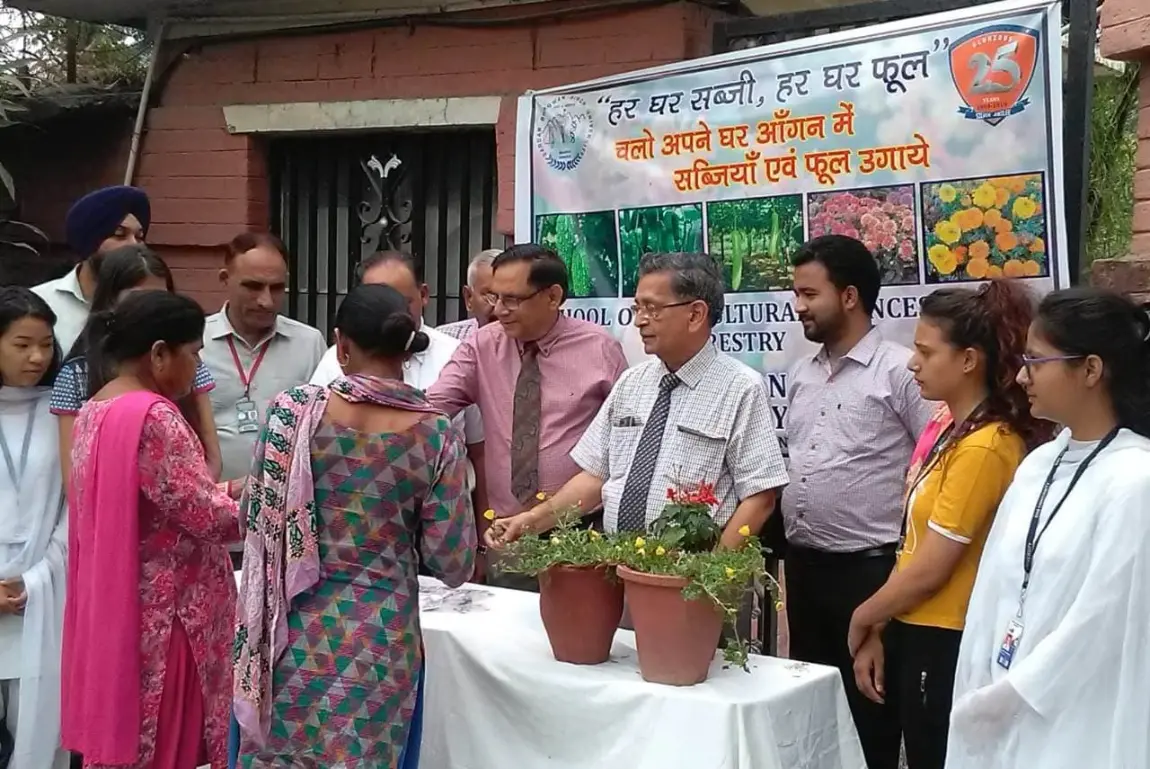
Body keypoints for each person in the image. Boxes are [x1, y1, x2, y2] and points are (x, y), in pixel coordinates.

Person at [233, 284, 476, 768]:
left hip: (288, 637)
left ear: (341, 345)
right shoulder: (435, 435)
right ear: (407, 349)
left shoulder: (291, 414)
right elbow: (453, 562)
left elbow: (253, 518)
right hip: (380, 646)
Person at [845, 281, 1049, 769]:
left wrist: (862, 616)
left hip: (948, 636)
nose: (912, 364)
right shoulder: (952, 432)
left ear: (968, 360)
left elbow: (933, 567)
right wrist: (881, 625)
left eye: (926, 351)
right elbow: (911, 547)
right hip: (915, 625)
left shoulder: (985, 446)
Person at [945, 288, 1150, 769]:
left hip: (1077, 718)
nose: (1021, 376)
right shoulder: (1040, 464)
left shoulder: (1134, 480)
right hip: (1002, 703)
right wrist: (980, 684)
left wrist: (1011, 696)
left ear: (1091, 370)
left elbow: (1100, 622)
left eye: (1036, 361)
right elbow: (994, 590)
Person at [488, 252, 787, 549]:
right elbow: (594, 477)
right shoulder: (632, 383)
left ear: (695, 314)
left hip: (690, 569)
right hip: (617, 563)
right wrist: (529, 522)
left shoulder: (741, 387)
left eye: (652, 309)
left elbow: (760, 497)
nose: (640, 321)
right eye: (637, 308)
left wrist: (714, 570)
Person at [61, 290, 242, 769]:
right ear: (160, 353)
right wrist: (280, 502)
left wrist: (233, 489)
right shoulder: (155, 415)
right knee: (169, 750)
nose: (197, 367)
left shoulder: (95, 409)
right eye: (194, 354)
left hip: (123, 610)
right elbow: (210, 517)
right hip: (176, 619)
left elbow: (164, 498)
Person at [782, 234, 933, 769]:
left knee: (870, 716)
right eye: (796, 294)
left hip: (871, 574)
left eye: (809, 294)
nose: (798, 306)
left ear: (849, 296)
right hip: (805, 571)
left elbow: (933, 466)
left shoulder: (901, 372)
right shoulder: (801, 373)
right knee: (811, 712)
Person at [427, 244, 628, 588]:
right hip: (509, 532)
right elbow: (430, 407)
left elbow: (624, 443)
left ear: (553, 297)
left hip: (580, 530)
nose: (499, 310)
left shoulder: (599, 349)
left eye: (513, 299)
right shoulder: (482, 346)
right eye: (494, 297)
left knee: (576, 622)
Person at [309, 250, 488, 567]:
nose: (387, 313)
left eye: (401, 302)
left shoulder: (460, 357)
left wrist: (480, 544)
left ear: (424, 295)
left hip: (440, 530)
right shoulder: (327, 370)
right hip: (340, 535)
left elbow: (481, 451)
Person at [50, 245, 222, 481]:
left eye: (161, 297)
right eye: (137, 298)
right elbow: (75, 479)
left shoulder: (189, 361)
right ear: (109, 302)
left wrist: (200, 492)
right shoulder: (77, 373)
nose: (152, 309)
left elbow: (212, 459)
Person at [0, 288, 69, 769]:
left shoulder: (61, 413)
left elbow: (75, 505)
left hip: (41, 593)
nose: (37, 357)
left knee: (35, 736)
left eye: (45, 344)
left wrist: (40, 576)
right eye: (22, 344)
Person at [200, 232, 326, 485]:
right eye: (253, 286)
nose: (266, 301)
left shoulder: (309, 343)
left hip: (285, 499)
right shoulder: (195, 344)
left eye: (277, 288)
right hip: (210, 497)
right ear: (225, 279)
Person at [32, 185, 150, 353]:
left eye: (139, 237)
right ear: (88, 242)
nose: (134, 245)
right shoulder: (38, 302)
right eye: (119, 235)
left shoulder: (151, 308)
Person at [437, 248, 500, 341]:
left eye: (510, 297)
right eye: (491, 295)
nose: (500, 308)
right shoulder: (444, 340)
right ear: (468, 297)